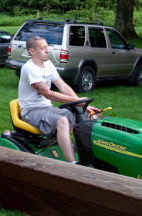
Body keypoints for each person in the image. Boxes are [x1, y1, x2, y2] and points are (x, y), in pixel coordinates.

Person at [18, 35, 100, 164]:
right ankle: (73, 164)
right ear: (32, 51)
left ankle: (93, 156)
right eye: (43, 48)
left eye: (47, 47)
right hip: (32, 111)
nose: (47, 50)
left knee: (89, 115)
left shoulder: (48, 64)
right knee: (62, 121)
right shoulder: (29, 69)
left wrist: (83, 105)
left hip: (48, 109)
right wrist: (79, 101)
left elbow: (62, 86)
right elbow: (48, 94)